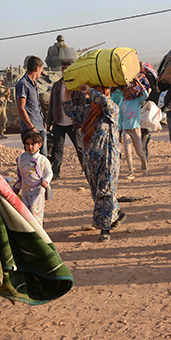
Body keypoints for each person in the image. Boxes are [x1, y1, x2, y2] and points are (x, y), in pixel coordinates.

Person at [63, 83, 125, 242]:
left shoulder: (111, 110)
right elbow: (68, 109)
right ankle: (116, 214)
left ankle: (105, 229)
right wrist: (67, 90)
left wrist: (90, 91)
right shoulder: (88, 112)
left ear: (106, 92)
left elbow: (105, 102)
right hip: (90, 161)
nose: (93, 97)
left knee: (105, 191)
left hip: (108, 159)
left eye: (98, 93)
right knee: (97, 192)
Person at [46, 59, 84, 179]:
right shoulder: (57, 85)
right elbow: (51, 104)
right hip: (58, 121)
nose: (64, 71)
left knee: (79, 147)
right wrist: (48, 122)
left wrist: (79, 119)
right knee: (57, 148)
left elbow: (81, 104)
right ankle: (56, 172)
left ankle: (86, 168)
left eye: (67, 69)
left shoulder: (77, 85)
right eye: (63, 69)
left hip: (73, 123)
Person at [13, 131, 53, 226]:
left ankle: (39, 233)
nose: (30, 147)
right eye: (27, 144)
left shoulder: (43, 160)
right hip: (26, 192)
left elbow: (49, 173)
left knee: (36, 214)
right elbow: (20, 176)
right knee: (26, 215)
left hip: (38, 192)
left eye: (33, 144)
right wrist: (16, 189)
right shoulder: (21, 158)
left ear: (39, 145)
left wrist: (46, 181)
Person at [16, 57, 47, 155]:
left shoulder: (34, 84)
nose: (41, 72)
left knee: (43, 158)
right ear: (37, 68)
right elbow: (21, 108)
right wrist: (31, 128)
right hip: (30, 129)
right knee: (32, 158)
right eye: (41, 69)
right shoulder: (23, 84)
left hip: (40, 127)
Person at [119, 77, 150, 175]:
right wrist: (119, 132)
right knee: (127, 151)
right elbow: (120, 119)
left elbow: (146, 94)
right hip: (125, 130)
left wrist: (139, 83)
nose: (128, 92)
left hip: (136, 129)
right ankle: (131, 170)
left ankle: (144, 161)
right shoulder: (122, 104)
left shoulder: (137, 101)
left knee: (139, 151)